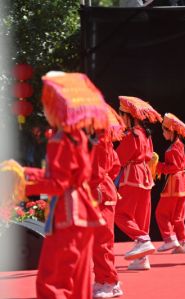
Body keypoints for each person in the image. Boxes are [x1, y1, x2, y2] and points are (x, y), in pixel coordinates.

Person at [24, 72, 108, 298]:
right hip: (83, 212)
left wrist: (22, 183)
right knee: (79, 283)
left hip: (67, 215)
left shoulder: (59, 139)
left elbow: (57, 183)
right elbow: (69, 177)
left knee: (52, 280)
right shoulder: (78, 136)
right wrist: (27, 173)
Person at [114, 96, 162, 270]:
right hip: (145, 176)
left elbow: (118, 159)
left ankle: (143, 239)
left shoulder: (132, 135)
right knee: (142, 217)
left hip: (132, 176)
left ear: (128, 116)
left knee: (119, 213)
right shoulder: (145, 134)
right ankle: (142, 258)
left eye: (121, 115)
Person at [90, 105, 124, 298]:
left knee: (102, 242)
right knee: (99, 242)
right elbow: (116, 165)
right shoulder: (101, 139)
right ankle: (104, 280)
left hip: (99, 192)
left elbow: (97, 170)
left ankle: (110, 282)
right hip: (101, 191)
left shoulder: (100, 140)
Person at [155, 113, 185, 254]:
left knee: (161, 213)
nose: (163, 134)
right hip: (182, 183)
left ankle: (169, 238)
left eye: (164, 130)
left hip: (175, 182)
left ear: (170, 130)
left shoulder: (173, 149)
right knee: (178, 216)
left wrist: (157, 166)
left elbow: (174, 167)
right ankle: (183, 243)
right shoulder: (181, 146)